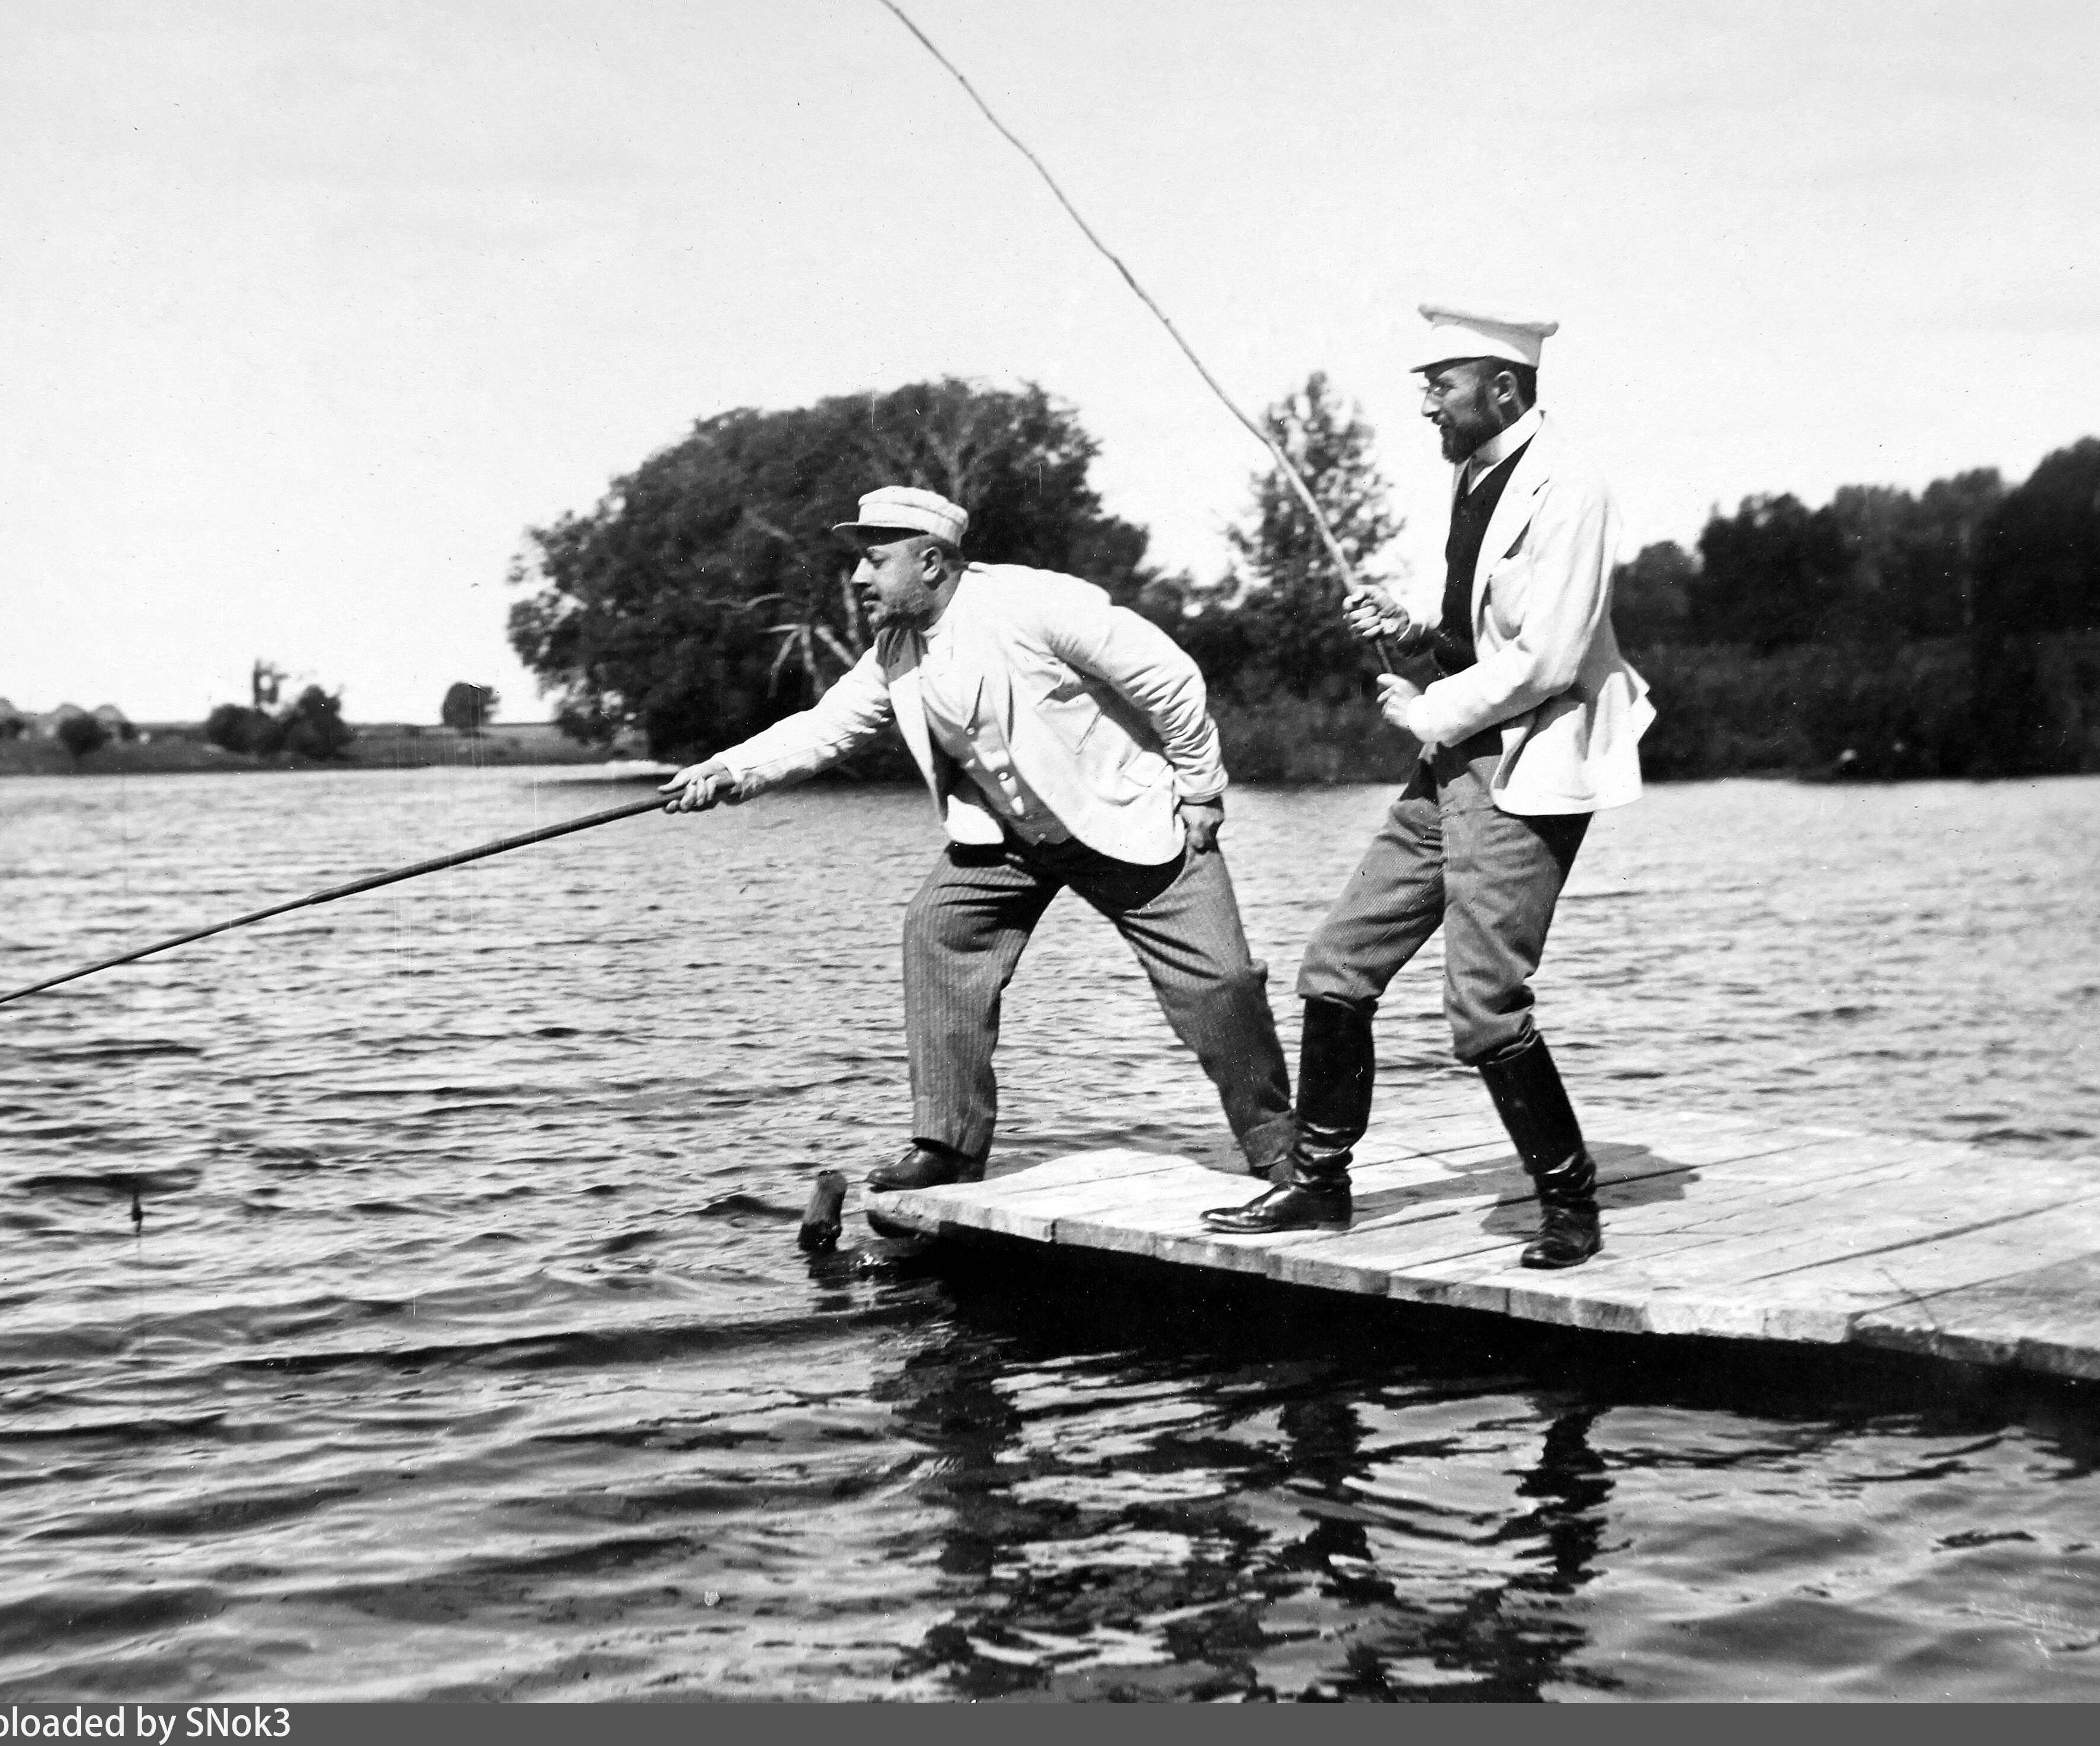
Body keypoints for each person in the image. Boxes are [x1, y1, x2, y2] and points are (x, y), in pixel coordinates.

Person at [661, 485, 1296, 1191]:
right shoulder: (895, 649)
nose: (859, 578)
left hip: (1128, 819)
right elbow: (827, 725)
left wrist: (1202, 788)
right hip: (1006, 837)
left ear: (932, 563)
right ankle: (950, 1147)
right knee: (938, 930)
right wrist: (729, 770)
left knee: (1222, 983)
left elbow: (1169, 678)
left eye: (875, 561)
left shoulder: (1038, 603)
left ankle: (1278, 1147)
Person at [1200, 307, 1653, 1268]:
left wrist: (1426, 709)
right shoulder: (1470, 475)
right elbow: (1478, 627)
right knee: (1334, 965)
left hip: (1521, 768)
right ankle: (1318, 1187)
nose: (1423, 405)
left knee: (1483, 1004)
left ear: (1498, 386)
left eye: (1436, 384)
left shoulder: (1569, 487)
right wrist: (1411, 629)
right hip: (1449, 765)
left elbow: (1547, 657)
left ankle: (1570, 1207)